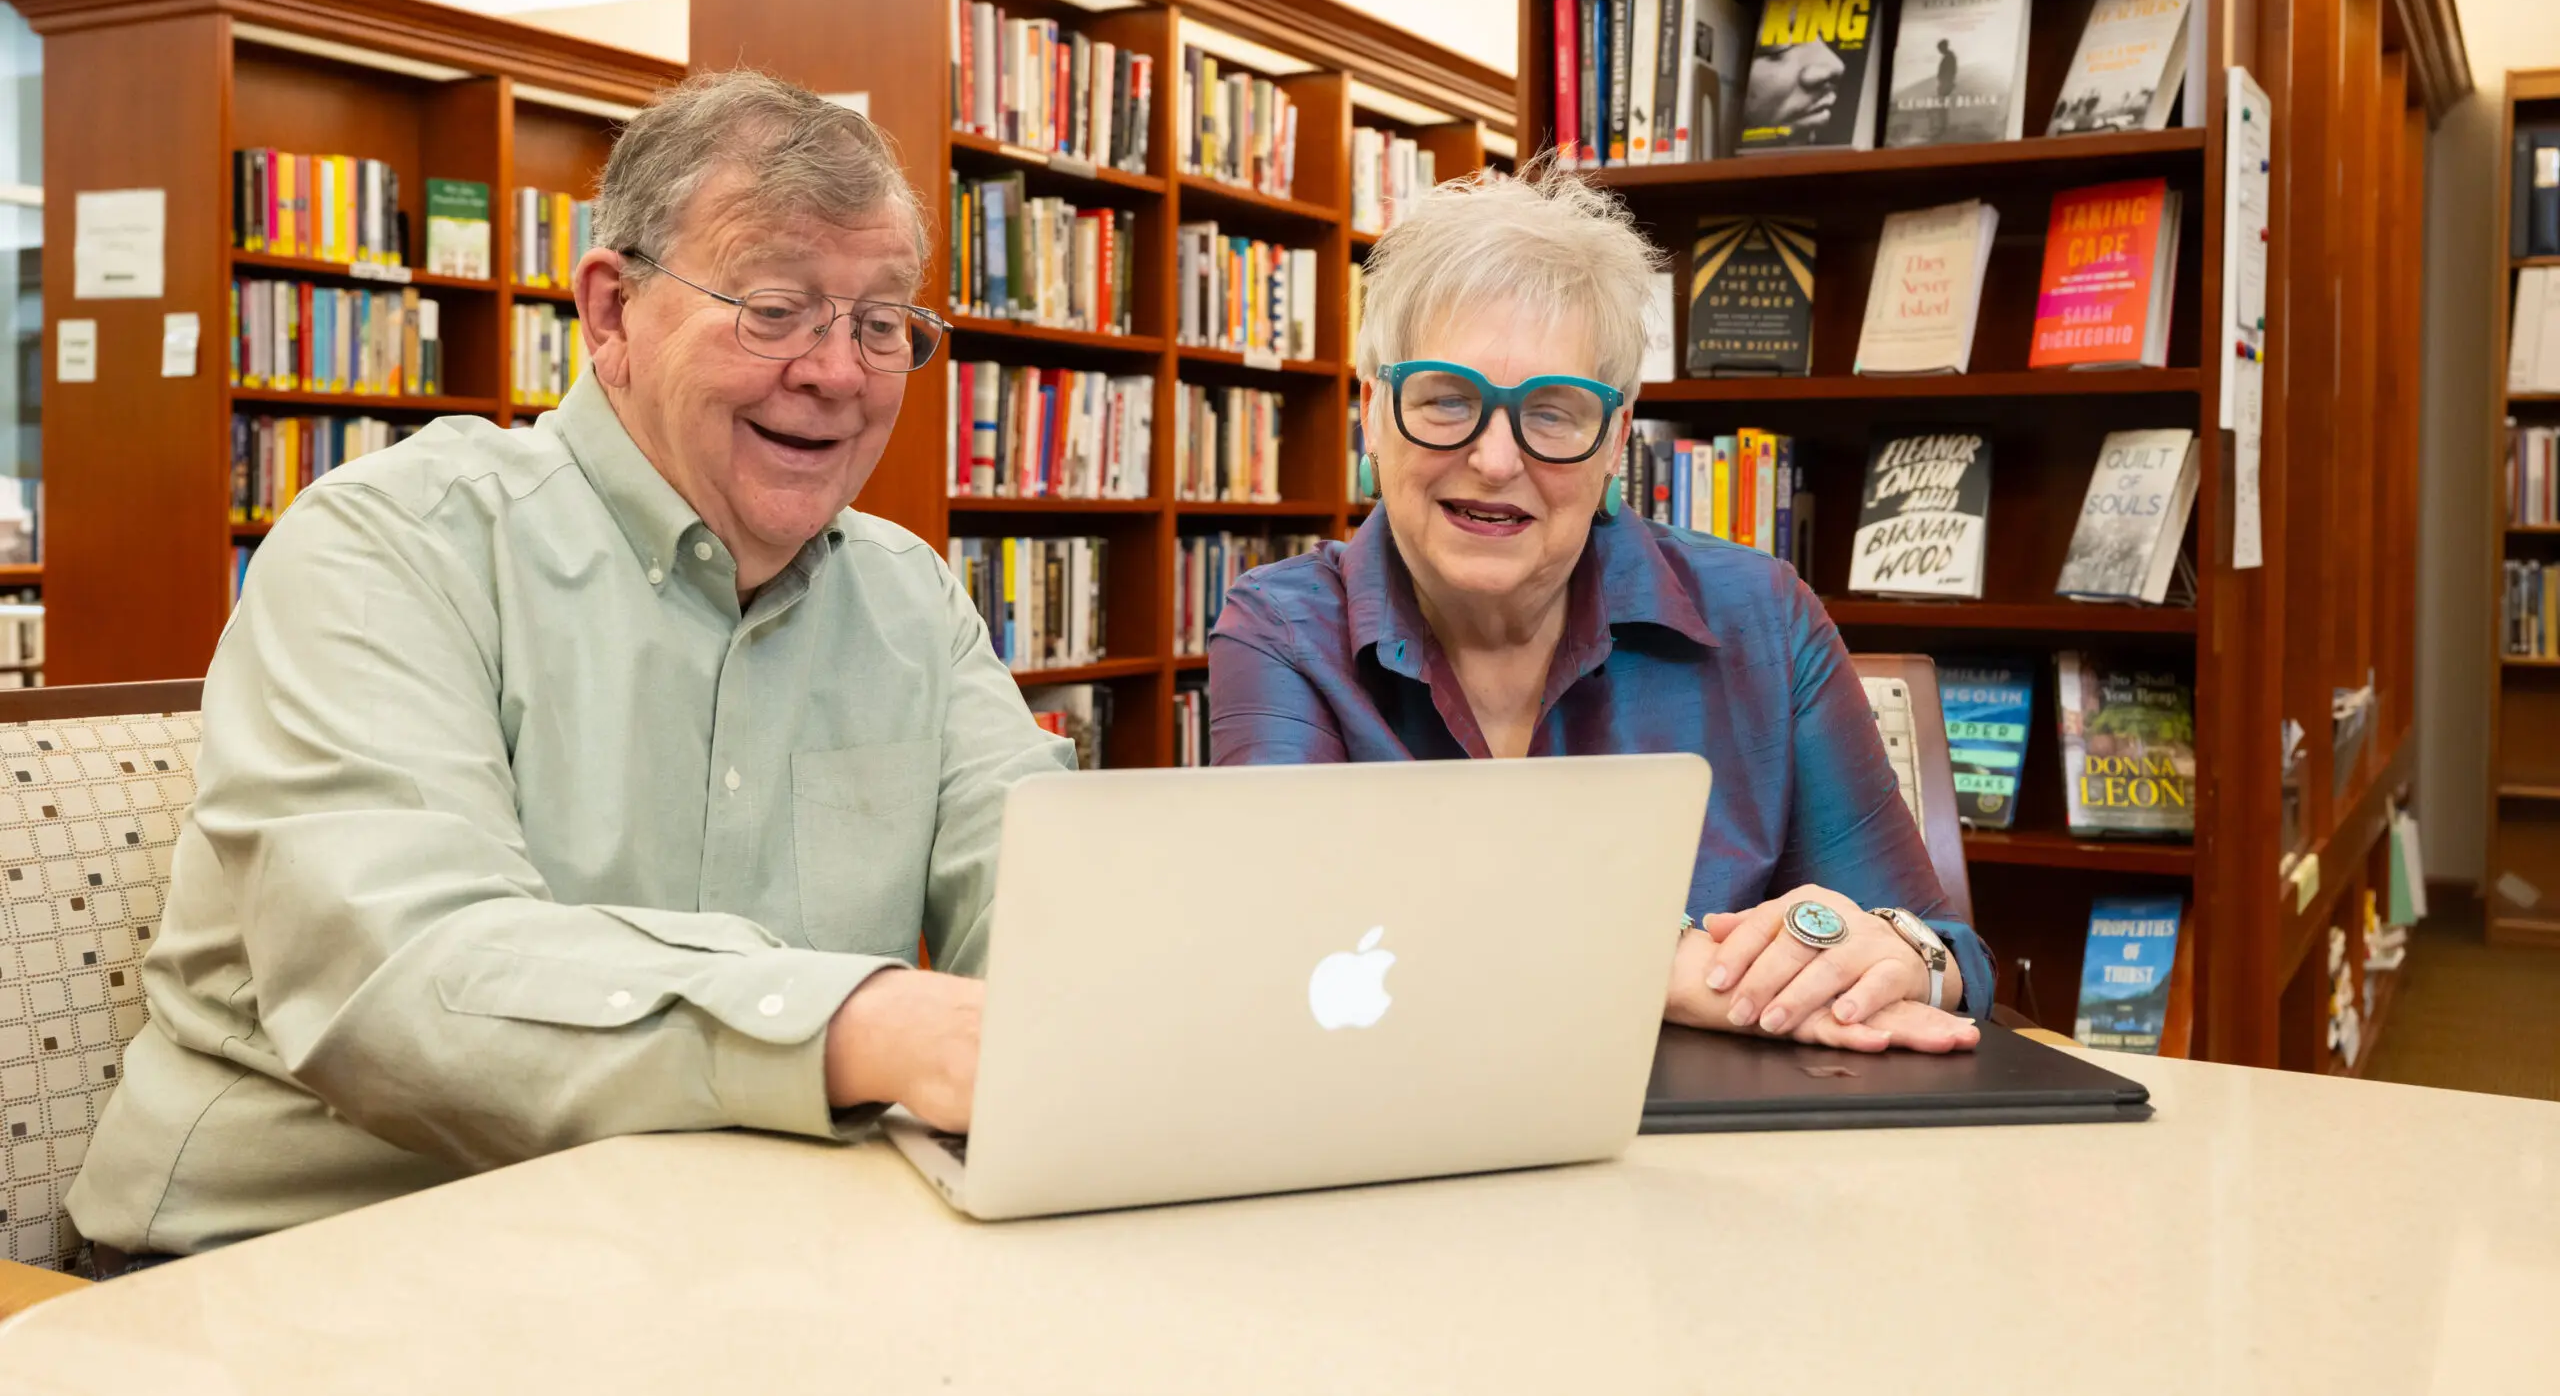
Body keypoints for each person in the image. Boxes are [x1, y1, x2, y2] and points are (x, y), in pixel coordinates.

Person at [69, 70, 1067, 1265]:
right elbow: (407, 982)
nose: (838, 373)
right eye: (774, 308)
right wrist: (855, 1025)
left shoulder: (908, 595)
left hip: (709, 1250)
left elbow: (1044, 894)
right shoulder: (392, 546)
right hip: (300, 1262)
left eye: (879, 321)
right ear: (610, 312)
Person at [1208, 167, 1989, 1054]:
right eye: (1447, 401)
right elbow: (1286, 939)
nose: (1495, 459)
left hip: (1737, 1168)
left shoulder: (1765, 619)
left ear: (1618, 439)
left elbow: (1947, 952)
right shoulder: (1280, 632)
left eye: (1553, 412)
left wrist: (1898, 956)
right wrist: (1664, 961)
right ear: (1373, 414)